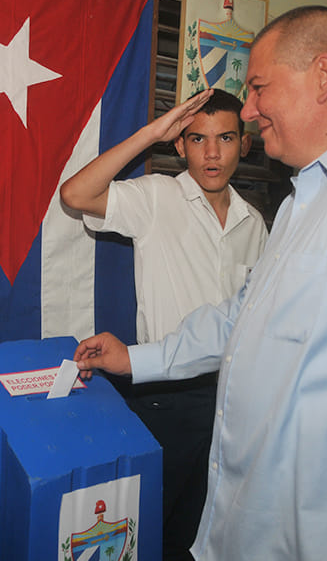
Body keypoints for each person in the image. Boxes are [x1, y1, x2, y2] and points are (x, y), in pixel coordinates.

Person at [73, 5, 327, 561]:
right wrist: (140, 361)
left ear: (323, 76)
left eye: (259, 87)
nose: (248, 109)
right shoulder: (302, 204)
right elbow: (239, 318)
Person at [60, 89, 266, 560]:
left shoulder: (255, 224)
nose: (212, 153)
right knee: (142, 534)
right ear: (179, 145)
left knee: (203, 536)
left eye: (226, 138)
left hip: (231, 403)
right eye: (197, 139)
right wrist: (151, 133)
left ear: (244, 144)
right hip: (163, 397)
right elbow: (75, 194)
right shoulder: (157, 197)